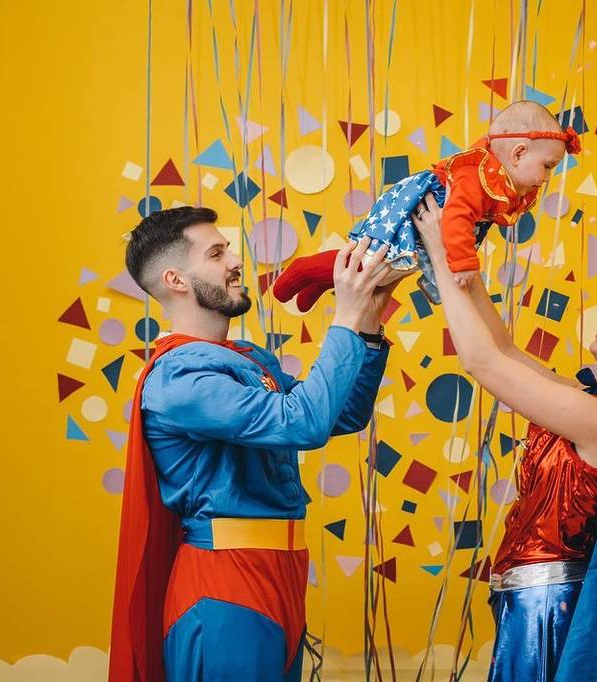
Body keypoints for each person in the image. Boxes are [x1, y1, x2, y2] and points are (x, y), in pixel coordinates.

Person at [412, 196, 597, 681]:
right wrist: (457, 260)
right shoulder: (590, 403)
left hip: (547, 608)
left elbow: (481, 362)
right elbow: (502, 348)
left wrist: (436, 248)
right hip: (531, 599)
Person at [109, 206, 395, 681]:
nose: (235, 260)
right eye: (216, 254)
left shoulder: (247, 359)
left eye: (228, 249)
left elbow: (341, 414)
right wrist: (344, 318)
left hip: (282, 573)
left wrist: (366, 321)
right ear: (176, 280)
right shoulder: (178, 377)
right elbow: (303, 423)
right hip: (225, 583)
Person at [272, 100, 581, 311]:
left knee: (380, 275)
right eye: (548, 166)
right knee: (369, 265)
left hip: (424, 232)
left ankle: (319, 283)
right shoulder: (474, 176)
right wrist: (464, 263)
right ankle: (303, 270)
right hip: (409, 217)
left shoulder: (499, 182)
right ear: (518, 153)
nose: (547, 177)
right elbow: (457, 218)